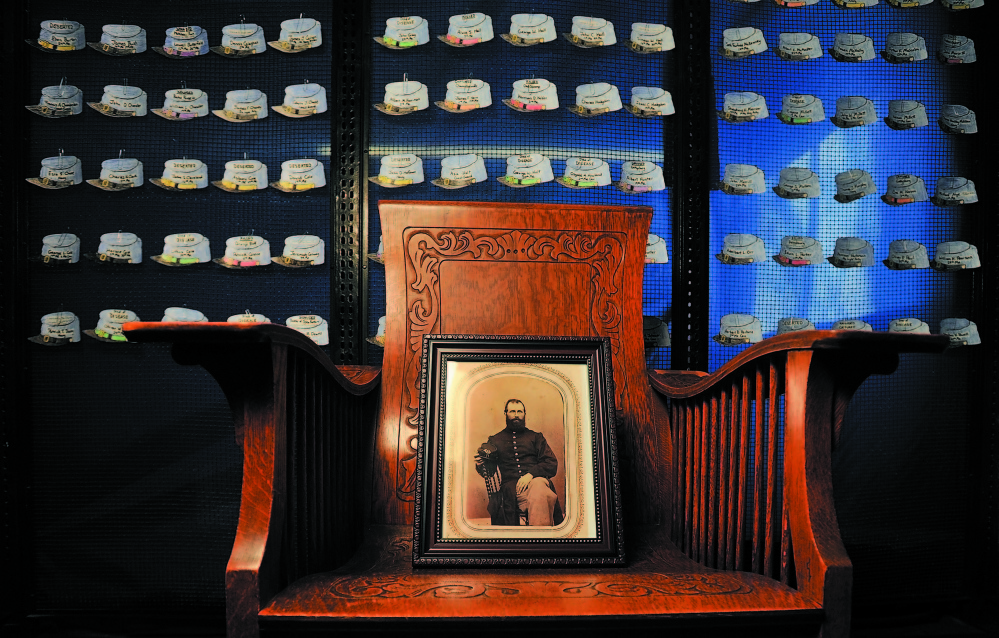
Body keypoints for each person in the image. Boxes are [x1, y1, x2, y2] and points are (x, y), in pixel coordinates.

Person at [475, 399, 563, 526]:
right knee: (543, 494)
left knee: (539, 487)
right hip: (512, 491)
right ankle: (542, 538)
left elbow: (551, 463)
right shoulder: (495, 440)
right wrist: (480, 464)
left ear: (524, 414)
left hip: (538, 483)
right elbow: (489, 472)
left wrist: (530, 475)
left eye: (519, 411)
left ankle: (537, 537)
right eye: (512, 411)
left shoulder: (536, 437)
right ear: (505, 413)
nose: (516, 415)